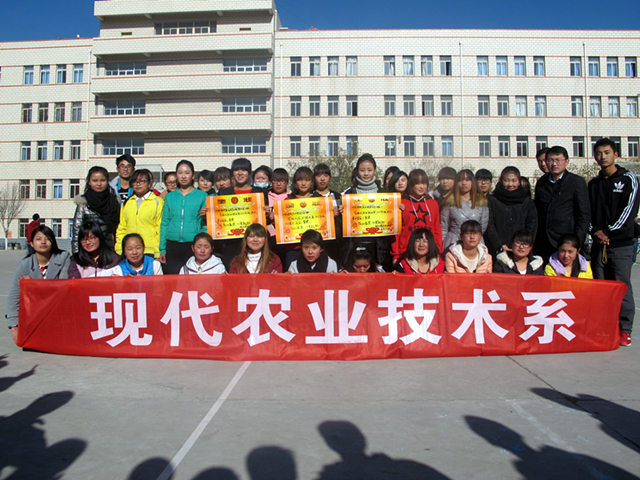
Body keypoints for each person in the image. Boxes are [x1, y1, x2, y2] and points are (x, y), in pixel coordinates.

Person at [588, 138, 640, 346]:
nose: (603, 157)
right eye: (599, 153)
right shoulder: (594, 184)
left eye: (607, 152)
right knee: (601, 289)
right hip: (598, 245)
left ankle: (625, 329)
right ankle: (605, 327)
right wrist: (595, 232)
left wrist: (608, 232)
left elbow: (629, 212)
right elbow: (588, 213)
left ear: (615, 154)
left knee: (621, 287)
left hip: (620, 245)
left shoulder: (629, 179)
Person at [6, 225, 70, 344]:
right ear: (31, 243)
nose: (43, 242)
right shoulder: (25, 264)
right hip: (35, 315)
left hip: (57, 313)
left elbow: (62, 287)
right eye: (38, 239)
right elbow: (14, 296)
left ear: (53, 242)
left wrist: (33, 284)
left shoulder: (63, 258)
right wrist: (14, 325)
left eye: (47, 239)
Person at [534, 146, 590, 260]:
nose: (554, 164)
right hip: (544, 242)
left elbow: (584, 214)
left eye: (558, 160)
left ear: (567, 162)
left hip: (566, 242)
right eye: (550, 160)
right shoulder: (541, 182)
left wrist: (577, 241)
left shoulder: (576, 182)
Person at [343, 154, 391, 270]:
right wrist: (340, 213)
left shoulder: (384, 194)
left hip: (377, 246)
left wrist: (397, 209)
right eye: (362, 170)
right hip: (355, 244)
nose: (366, 173)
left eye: (369, 170)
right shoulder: (349, 194)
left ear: (375, 171)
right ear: (357, 171)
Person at [218, 158, 268, 268]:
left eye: (244, 170)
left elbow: (265, 221)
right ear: (232, 173)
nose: (240, 173)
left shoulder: (259, 193)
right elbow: (219, 217)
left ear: (249, 173)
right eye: (236, 170)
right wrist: (207, 214)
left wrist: (267, 213)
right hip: (231, 243)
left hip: (254, 243)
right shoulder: (224, 193)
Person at [159, 160, 207, 274]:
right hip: (172, 245)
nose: (183, 176)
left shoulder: (202, 196)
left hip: (193, 245)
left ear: (193, 175)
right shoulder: (170, 197)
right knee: (174, 279)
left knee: (192, 279)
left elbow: (206, 225)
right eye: (180, 172)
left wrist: (201, 244)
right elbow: (165, 223)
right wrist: (163, 249)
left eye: (187, 172)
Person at [485, 166, 538, 257]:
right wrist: (499, 244)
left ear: (519, 182)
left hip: (522, 249)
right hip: (498, 249)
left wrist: (524, 244)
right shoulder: (493, 200)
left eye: (514, 180)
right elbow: (490, 224)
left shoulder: (526, 201)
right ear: (501, 181)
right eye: (506, 180)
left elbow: (532, 224)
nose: (510, 184)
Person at [391, 169, 442, 262]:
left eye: (424, 183)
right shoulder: (401, 202)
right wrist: (396, 254)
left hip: (429, 252)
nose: (421, 187)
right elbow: (396, 231)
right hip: (406, 252)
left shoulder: (433, 203)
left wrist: (438, 251)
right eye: (418, 183)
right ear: (410, 183)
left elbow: (436, 228)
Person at [115, 169, 164, 259]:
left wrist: (158, 251)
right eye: (135, 181)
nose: (138, 184)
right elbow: (122, 227)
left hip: (149, 250)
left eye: (142, 181)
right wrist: (119, 248)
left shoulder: (158, 202)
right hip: (129, 250)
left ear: (149, 183)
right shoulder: (127, 203)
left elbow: (160, 228)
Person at [72, 166, 121, 254]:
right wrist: (76, 254)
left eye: (102, 180)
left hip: (110, 250)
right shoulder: (84, 203)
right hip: (89, 251)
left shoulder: (114, 202)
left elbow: (119, 229)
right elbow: (77, 231)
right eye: (95, 180)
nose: (99, 184)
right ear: (89, 182)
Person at [441, 169, 489, 253]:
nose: (464, 183)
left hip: (474, 243)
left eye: (467, 180)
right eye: (460, 180)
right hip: (453, 242)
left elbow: (483, 227)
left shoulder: (481, 202)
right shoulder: (450, 202)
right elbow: (443, 227)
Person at [313, 163, 344, 268]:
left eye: (326, 175)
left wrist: (340, 215)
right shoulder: (310, 197)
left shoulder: (338, 196)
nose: (322, 179)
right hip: (316, 241)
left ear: (330, 178)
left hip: (335, 242)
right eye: (319, 175)